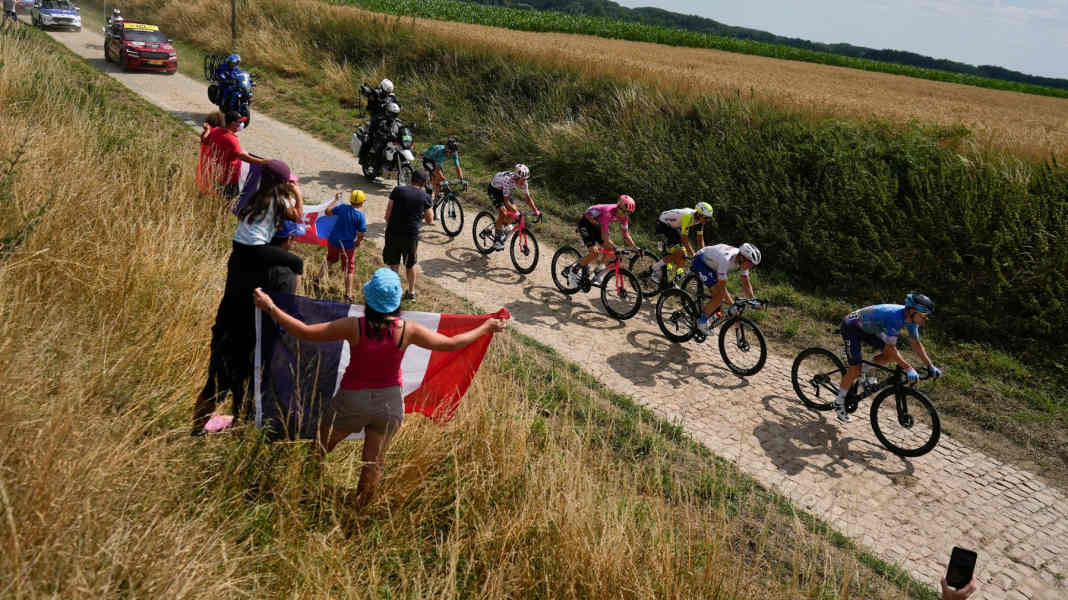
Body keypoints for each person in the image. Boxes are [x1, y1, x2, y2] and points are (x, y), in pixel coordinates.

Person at [251, 268, 508, 508]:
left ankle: (302, 496)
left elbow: (305, 332)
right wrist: (486, 327)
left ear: (368, 299)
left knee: (318, 451)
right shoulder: (408, 330)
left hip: (351, 401)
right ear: (397, 303)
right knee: (372, 465)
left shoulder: (355, 326)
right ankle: (356, 516)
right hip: (390, 406)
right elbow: (452, 344)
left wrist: (271, 307)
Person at [191, 169, 305, 436]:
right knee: (251, 394)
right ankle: (239, 436)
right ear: (287, 238)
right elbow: (288, 315)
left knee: (214, 387)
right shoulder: (283, 274)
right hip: (255, 344)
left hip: (226, 332)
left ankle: (196, 431)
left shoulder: (240, 258)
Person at [834, 293, 942, 423]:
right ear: (912, 311)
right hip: (852, 327)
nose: (926, 319)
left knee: (888, 357)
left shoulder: (912, 320)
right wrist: (908, 368)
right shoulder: (895, 317)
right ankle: (839, 402)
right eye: (924, 316)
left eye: (927, 316)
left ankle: (862, 372)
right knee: (854, 369)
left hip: (870, 329)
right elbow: (891, 348)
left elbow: (916, 344)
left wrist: (930, 365)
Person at [688, 243, 762, 336]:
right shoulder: (726, 260)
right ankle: (701, 322)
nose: (750, 267)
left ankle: (708, 310)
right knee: (719, 296)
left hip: (713, 265)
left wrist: (753, 301)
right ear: (742, 257)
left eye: (753, 265)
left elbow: (746, 283)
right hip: (700, 261)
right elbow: (722, 288)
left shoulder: (741, 261)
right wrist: (732, 305)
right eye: (750, 264)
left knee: (719, 296)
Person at [566, 195, 638, 287]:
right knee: (594, 253)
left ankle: (598, 274)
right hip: (586, 223)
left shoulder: (624, 217)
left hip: (597, 225)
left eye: (628, 213)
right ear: (618, 206)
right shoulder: (608, 211)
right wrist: (616, 248)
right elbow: (605, 237)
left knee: (610, 251)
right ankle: (574, 270)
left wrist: (635, 248)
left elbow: (626, 235)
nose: (624, 214)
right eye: (623, 211)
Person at [383, 169, 432, 301]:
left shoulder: (397, 190)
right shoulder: (425, 196)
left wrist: (391, 225)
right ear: (424, 183)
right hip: (410, 235)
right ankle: (411, 292)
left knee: (394, 263)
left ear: (411, 179)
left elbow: (387, 214)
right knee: (410, 265)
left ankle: (393, 291)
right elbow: (430, 219)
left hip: (393, 232)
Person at [200, 111, 267, 200]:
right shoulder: (231, 139)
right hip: (229, 179)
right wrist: (262, 161)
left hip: (216, 174)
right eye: (239, 122)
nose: (242, 124)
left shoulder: (216, 131)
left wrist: (208, 130)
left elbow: (205, 140)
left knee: (218, 198)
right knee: (229, 203)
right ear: (232, 123)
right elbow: (241, 156)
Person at [314, 190, 367, 303]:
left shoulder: (342, 207)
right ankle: (348, 294)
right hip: (347, 245)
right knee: (349, 269)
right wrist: (357, 241)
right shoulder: (360, 216)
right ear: (362, 202)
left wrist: (335, 200)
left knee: (329, 260)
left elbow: (328, 212)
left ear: (350, 200)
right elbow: (361, 233)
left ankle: (317, 279)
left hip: (333, 241)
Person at [647, 202, 715, 284]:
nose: (707, 220)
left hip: (673, 227)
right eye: (706, 218)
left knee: (682, 255)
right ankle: (651, 270)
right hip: (663, 225)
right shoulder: (688, 216)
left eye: (709, 218)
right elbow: (684, 239)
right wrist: (694, 255)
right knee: (679, 253)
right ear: (699, 214)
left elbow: (700, 238)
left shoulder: (700, 220)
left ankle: (673, 282)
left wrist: (703, 254)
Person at [487, 164, 540, 250]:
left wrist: (536, 211)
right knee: (503, 213)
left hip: (504, 191)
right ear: (516, 177)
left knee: (513, 214)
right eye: (522, 180)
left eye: (526, 179)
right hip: (494, 190)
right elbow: (506, 202)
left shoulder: (524, 182)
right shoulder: (507, 180)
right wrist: (516, 213)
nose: (524, 182)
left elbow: (528, 198)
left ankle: (502, 226)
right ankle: (497, 239)